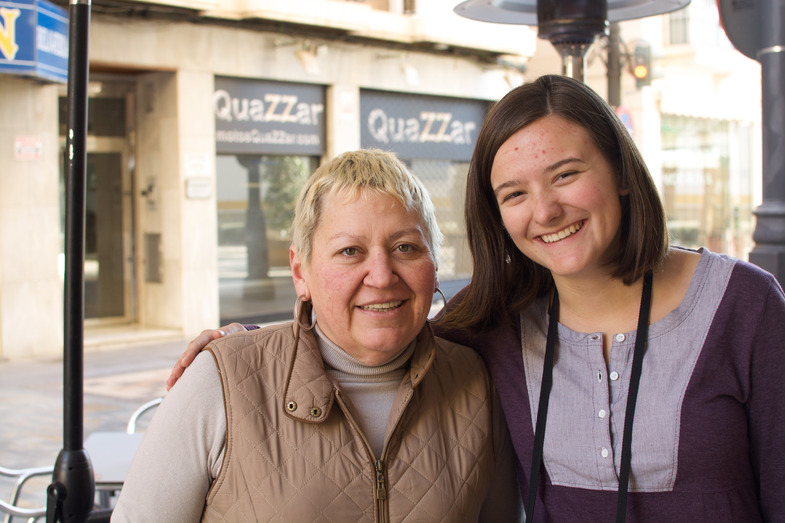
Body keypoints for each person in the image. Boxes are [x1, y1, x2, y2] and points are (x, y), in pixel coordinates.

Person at [169, 75, 785, 522]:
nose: (545, 210)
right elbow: (374, 316)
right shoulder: (496, 326)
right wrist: (254, 350)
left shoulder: (744, 306)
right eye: (513, 193)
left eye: (567, 174)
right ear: (496, 216)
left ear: (622, 172)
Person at [112, 149, 522, 522]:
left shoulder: (476, 381)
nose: (381, 276)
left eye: (406, 248)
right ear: (299, 272)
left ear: (433, 263)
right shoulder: (220, 383)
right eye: (350, 251)